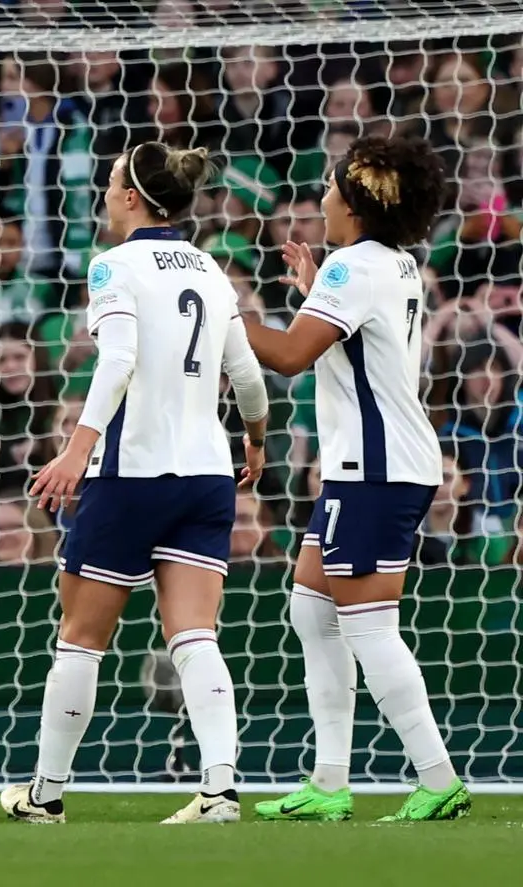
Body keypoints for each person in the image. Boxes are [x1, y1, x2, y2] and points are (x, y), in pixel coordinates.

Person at [0, 141, 269, 825]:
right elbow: (248, 375)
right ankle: (219, 790)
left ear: (130, 197)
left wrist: (73, 450)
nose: (106, 190)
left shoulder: (113, 265)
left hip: (130, 472)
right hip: (207, 473)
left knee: (81, 637)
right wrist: (257, 440)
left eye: (114, 180)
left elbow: (117, 359)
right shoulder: (210, 267)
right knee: (195, 635)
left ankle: (47, 793)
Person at [245, 136, 471, 823]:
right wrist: (317, 289)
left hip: (376, 471)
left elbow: (286, 356)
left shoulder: (353, 268)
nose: (322, 198)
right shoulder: (391, 262)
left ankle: (438, 778)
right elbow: (354, 342)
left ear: (359, 201)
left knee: (369, 627)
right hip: (374, 465)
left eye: (332, 188)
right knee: (312, 610)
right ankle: (330, 781)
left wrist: (216, 312)